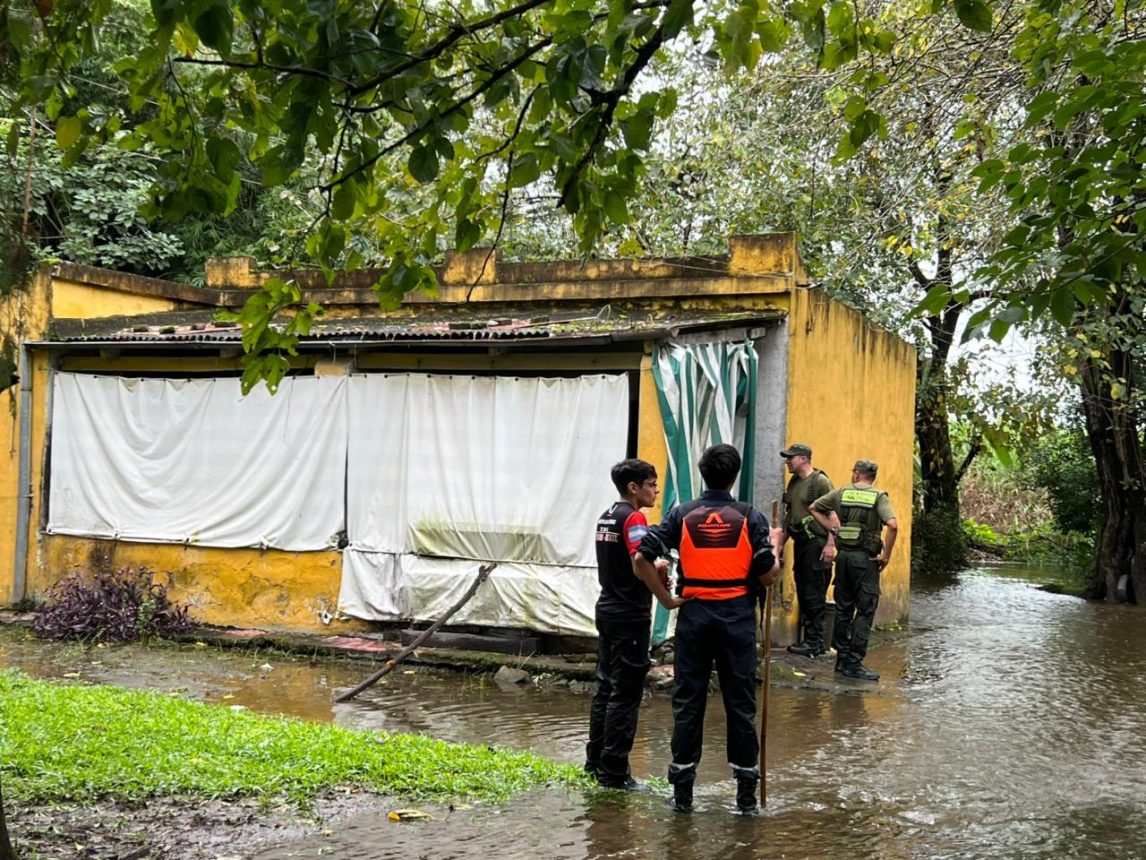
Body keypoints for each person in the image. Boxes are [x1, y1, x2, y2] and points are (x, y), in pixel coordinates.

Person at [634, 444, 784, 815]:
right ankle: (746, 799)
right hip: (736, 620)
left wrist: (666, 600)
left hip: (695, 618)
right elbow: (767, 578)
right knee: (740, 704)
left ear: (704, 474)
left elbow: (640, 558)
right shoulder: (751, 518)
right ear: (734, 476)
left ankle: (682, 794)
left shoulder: (681, 515)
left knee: (688, 702)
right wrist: (777, 548)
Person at [586, 458, 685, 790]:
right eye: (651, 484)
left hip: (608, 607)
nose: (656, 490)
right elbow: (638, 562)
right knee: (625, 695)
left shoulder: (606, 516)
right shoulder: (635, 518)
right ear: (634, 487)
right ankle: (614, 773)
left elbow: (635, 560)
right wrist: (666, 598)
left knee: (605, 687)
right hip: (630, 614)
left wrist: (655, 566)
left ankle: (594, 762)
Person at [810, 459, 898, 682]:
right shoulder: (878, 496)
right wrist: (885, 555)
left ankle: (841, 659)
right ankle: (854, 663)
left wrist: (833, 529)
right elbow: (893, 525)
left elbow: (814, 508)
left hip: (844, 559)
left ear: (857, 475)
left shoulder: (842, 492)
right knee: (866, 609)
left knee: (843, 609)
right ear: (871, 476)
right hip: (865, 561)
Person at [779, 443, 835, 657]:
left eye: (791, 458)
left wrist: (830, 545)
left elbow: (833, 517)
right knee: (803, 589)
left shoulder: (819, 482)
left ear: (804, 458)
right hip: (800, 542)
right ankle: (810, 640)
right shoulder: (794, 483)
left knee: (814, 592)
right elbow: (789, 516)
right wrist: (779, 547)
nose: (787, 462)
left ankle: (815, 642)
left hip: (816, 544)